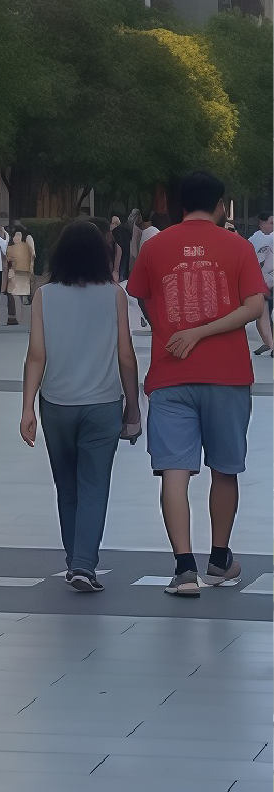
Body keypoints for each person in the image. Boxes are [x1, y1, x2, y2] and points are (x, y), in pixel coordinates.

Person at [125, 172, 269, 596]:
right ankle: (220, 559)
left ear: (180, 205)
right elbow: (254, 306)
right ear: (220, 205)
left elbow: (141, 294)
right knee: (224, 468)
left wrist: (176, 328)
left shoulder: (155, 246)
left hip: (170, 375)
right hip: (227, 375)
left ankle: (184, 568)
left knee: (174, 470)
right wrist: (205, 331)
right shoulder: (238, 247)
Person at [20, 219, 141, 593]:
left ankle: (76, 559)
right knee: (94, 485)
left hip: (56, 404)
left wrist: (27, 408)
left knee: (67, 485)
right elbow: (125, 355)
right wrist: (133, 405)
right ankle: (83, 564)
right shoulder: (114, 295)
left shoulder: (44, 295)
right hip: (103, 404)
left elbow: (36, 355)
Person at [3, 225, 36, 326]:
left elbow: (7, 259)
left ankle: (13, 317)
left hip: (14, 272)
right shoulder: (28, 243)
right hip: (25, 272)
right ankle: (19, 317)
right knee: (19, 296)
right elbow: (33, 255)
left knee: (13, 295)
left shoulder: (12, 246)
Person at [252, 214, 274, 356]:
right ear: (261, 223)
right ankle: (268, 342)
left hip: (269, 280)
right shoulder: (256, 239)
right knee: (263, 313)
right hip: (265, 282)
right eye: (271, 223)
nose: (273, 226)